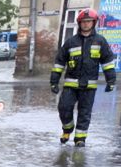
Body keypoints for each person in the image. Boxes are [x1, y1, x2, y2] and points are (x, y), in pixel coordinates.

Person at [50, 8, 116, 147]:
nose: (86, 24)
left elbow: (107, 62)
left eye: (89, 21)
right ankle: (67, 129)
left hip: (89, 86)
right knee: (64, 107)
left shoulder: (100, 41)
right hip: (70, 85)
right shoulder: (70, 42)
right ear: (79, 23)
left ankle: (80, 139)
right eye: (83, 22)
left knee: (84, 113)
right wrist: (54, 81)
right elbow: (59, 62)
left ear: (94, 23)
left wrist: (111, 80)